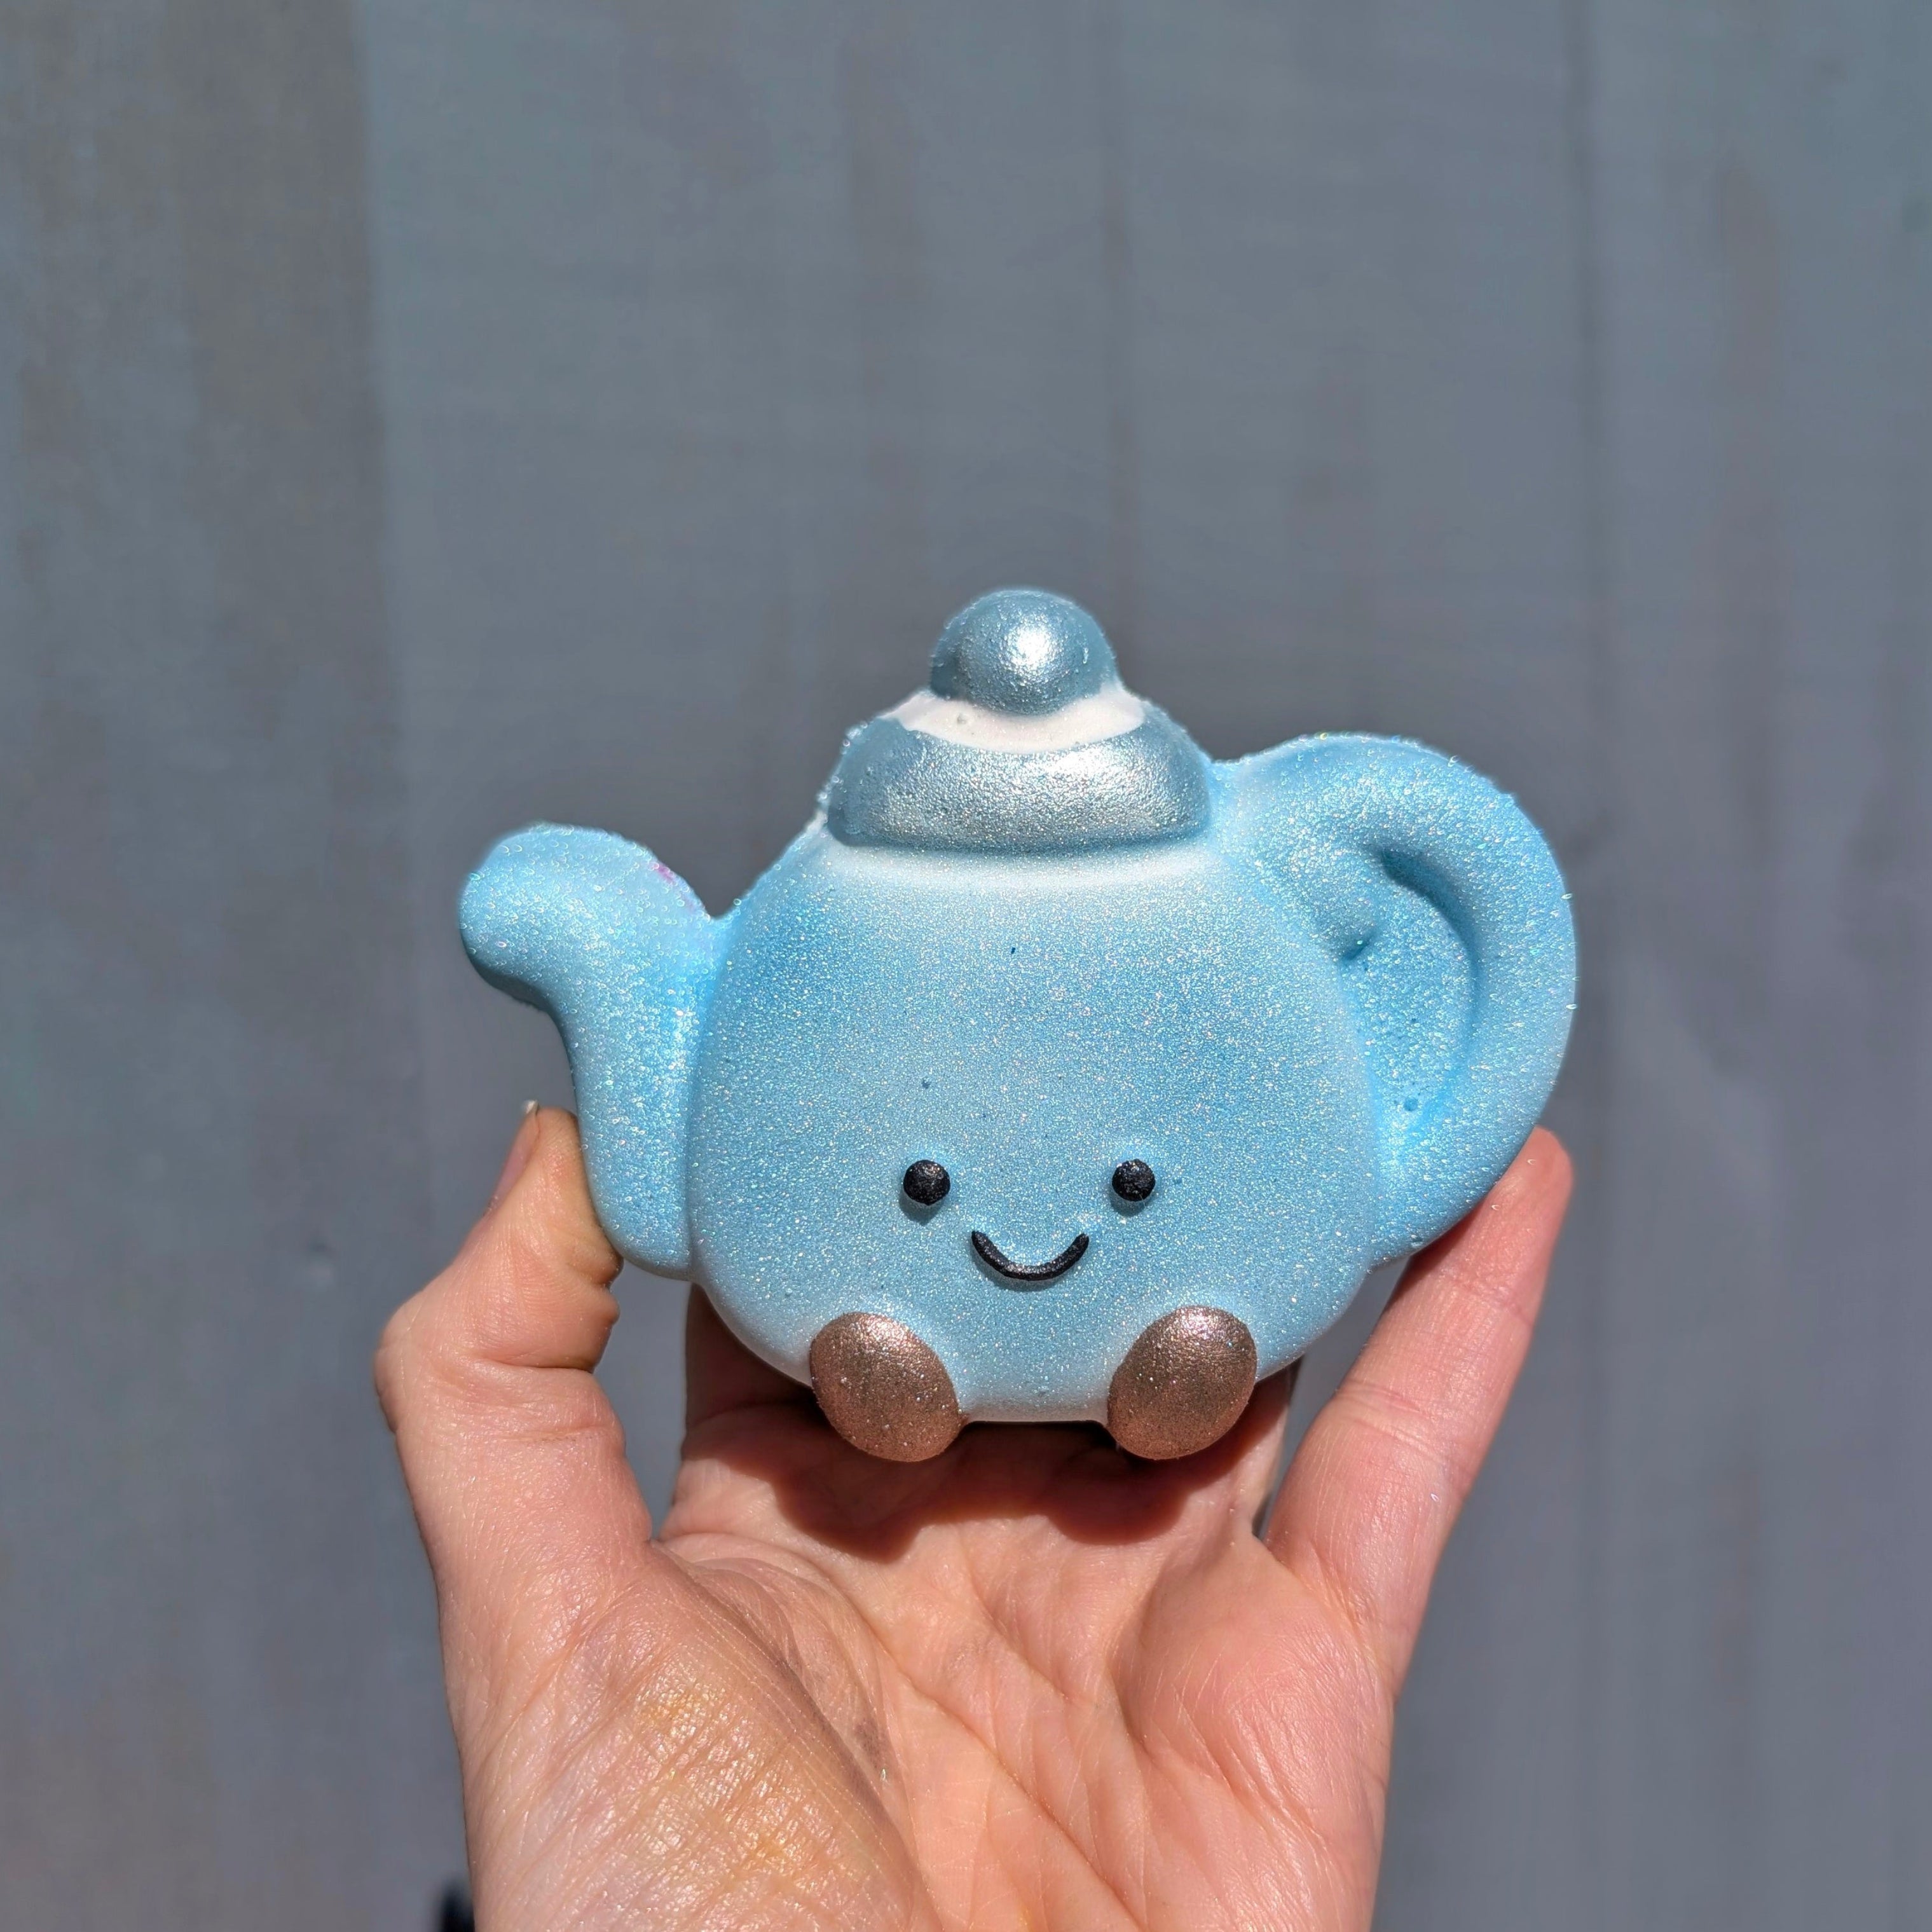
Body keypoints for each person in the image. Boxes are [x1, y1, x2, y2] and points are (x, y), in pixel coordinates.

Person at [378, 1106, 1571, 1929]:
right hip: (882, 1346)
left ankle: (1166, 1357)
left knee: (1186, 1323)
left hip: (1152, 1334)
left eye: (1131, 1184)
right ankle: (899, 1362)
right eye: (929, 1183)